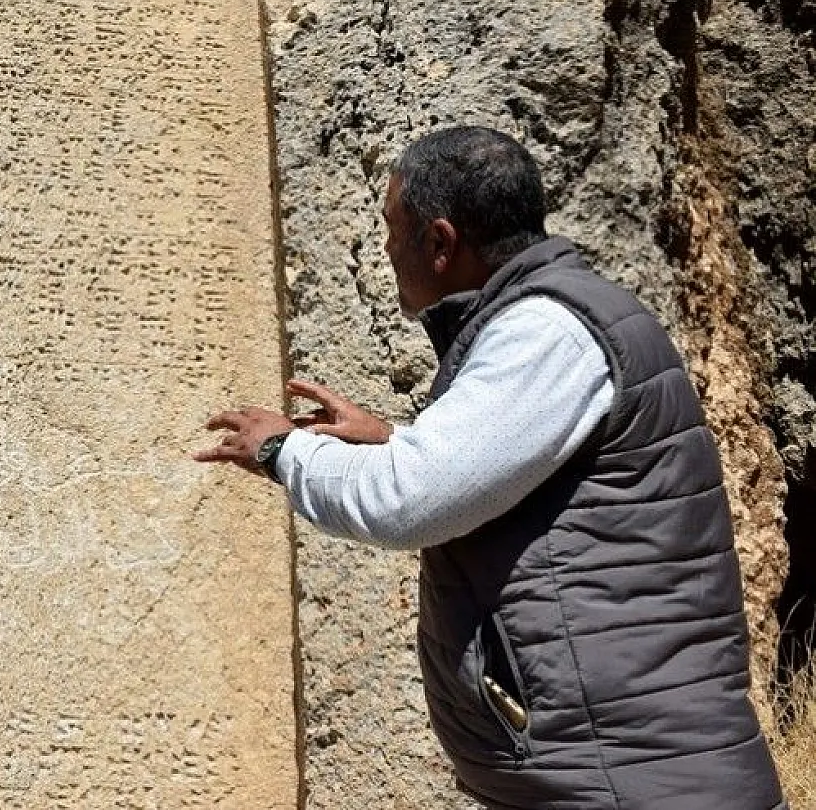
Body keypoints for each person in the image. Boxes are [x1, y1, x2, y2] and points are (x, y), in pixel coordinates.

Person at [196, 126, 786, 809]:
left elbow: (405, 502)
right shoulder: (558, 323)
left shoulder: (548, 332)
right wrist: (393, 439)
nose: (386, 250)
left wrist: (281, 449)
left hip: (631, 780)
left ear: (440, 243)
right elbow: (527, 482)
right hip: (622, 771)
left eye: (393, 230)